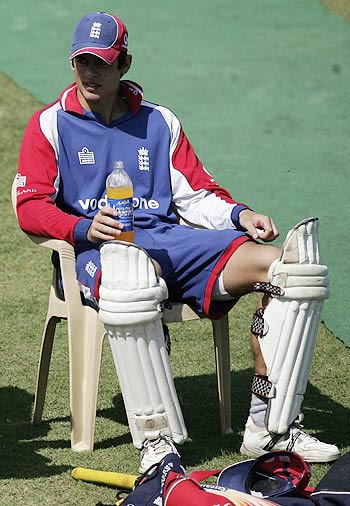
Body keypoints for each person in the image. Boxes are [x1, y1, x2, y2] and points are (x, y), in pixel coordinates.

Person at [16, 11, 339, 472]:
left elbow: (195, 193)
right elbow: (29, 207)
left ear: (123, 64)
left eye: (101, 62)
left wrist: (239, 214)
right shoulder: (49, 124)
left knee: (292, 269)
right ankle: (157, 440)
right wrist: (82, 228)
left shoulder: (159, 121)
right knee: (132, 286)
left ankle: (271, 426)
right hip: (97, 251)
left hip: (170, 241)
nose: (91, 71)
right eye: (82, 61)